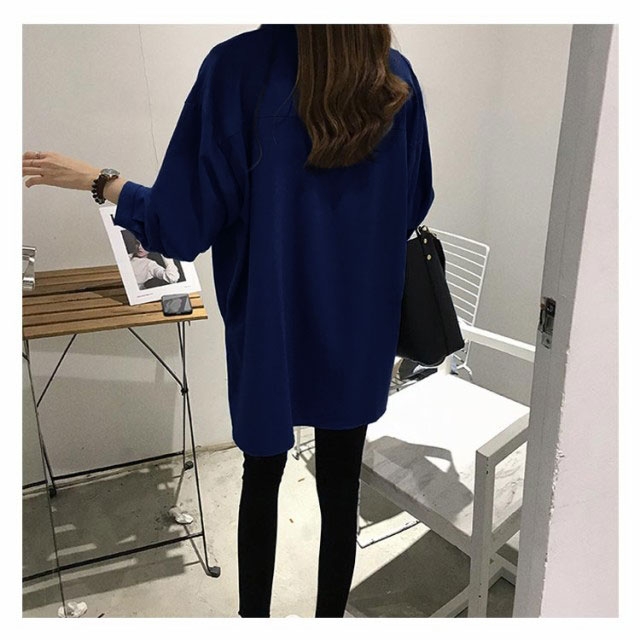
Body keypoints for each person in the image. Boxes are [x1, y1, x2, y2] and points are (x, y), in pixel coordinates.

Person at [22, 24, 435, 617]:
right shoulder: (393, 74)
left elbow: (179, 225)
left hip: (272, 324)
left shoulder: (237, 69)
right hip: (359, 325)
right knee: (342, 486)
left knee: (261, 476)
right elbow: (413, 201)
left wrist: (100, 181)